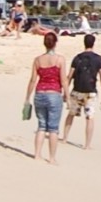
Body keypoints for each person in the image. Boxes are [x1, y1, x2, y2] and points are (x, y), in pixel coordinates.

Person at [25, 32, 67, 164]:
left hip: (40, 93)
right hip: (54, 93)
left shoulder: (38, 60)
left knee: (41, 126)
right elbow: (63, 80)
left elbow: (32, 80)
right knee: (53, 128)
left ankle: (37, 154)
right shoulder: (60, 59)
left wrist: (27, 97)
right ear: (55, 44)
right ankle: (52, 158)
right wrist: (67, 95)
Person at [62, 34, 101, 149]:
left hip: (77, 90)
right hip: (90, 92)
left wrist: (65, 92)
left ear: (84, 43)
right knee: (89, 117)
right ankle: (87, 145)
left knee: (71, 114)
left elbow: (69, 76)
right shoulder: (98, 59)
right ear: (93, 43)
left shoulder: (77, 58)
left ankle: (65, 138)